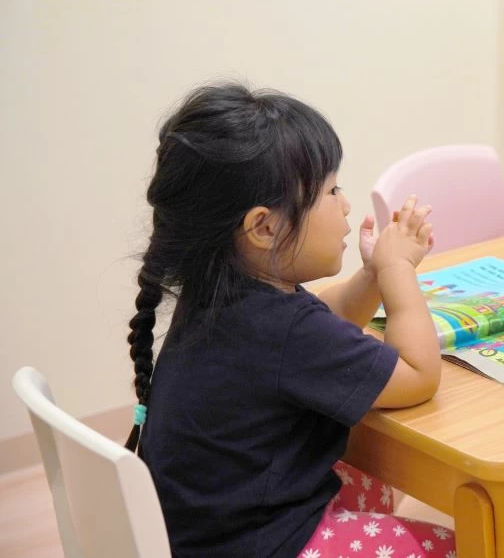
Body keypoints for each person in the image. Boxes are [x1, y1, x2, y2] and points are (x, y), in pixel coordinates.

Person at [126, 83, 455, 557]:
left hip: (210, 531)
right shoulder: (280, 328)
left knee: (367, 466)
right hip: (260, 543)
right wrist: (397, 270)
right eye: (331, 190)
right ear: (263, 227)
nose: (345, 204)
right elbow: (419, 376)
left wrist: (369, 276)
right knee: (464, 546)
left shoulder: (227, 296)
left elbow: (331, 318)